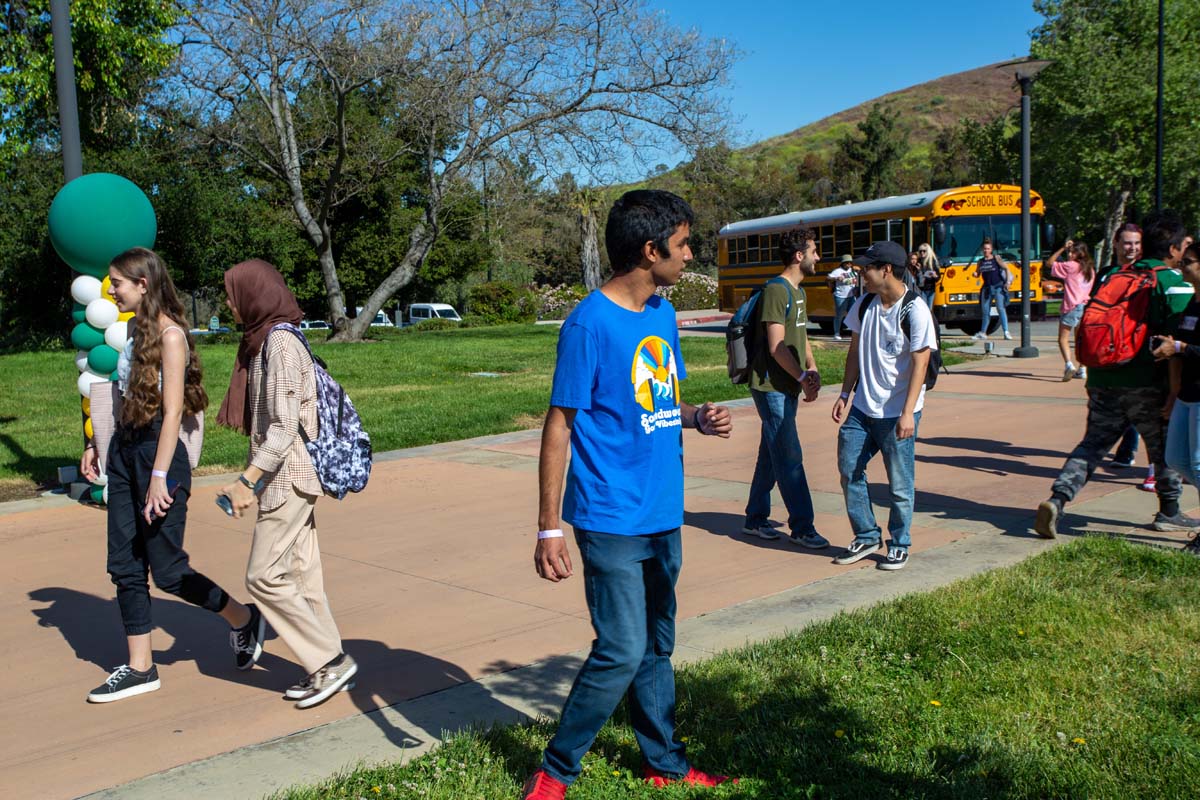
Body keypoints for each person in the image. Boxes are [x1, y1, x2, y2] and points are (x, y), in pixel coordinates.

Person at [522, 190, 736, 799]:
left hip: (663, 511)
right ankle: (555, 772)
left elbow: (658, 401)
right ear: (651, 250)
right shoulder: (589, 324)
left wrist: (697, 418)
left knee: (657, 647)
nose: (690, 254)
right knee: (621, 649)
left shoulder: (662, 315)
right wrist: (548, 527)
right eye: (685, 243)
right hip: (611, 514)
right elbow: (559, 424)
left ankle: (664, 763)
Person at [80, 247, 260, 703]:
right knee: (123, 564)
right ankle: (141, 668)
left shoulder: (171, 335)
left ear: (143, 284)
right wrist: (95, 446)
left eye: (117, 282)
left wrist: (159, 477)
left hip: (159, 456)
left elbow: (174, 410)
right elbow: (124, 396)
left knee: (168, 571)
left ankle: (243, 619)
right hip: (125, 451)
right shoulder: (132, 331)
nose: (111, 289)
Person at [217, 260, 356, 709]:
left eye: (232, 293)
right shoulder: (267, 340)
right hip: (289, 476)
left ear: (254, 294)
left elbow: (282, 428)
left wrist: (246, 481)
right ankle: (329, 668)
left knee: (262, 576)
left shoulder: (278, 344)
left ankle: (330, 661)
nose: (227, 302)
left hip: (289, 477)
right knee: (301, 575)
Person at [1034, 212, 1197, 539]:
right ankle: (1169, 510)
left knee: (1092, 445)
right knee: (1164, 448)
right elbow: (1179, 340)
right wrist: (1173, 389)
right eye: (1184, 248)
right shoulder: (1171, 282)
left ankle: (1058, 498)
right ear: (1173, 249)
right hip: (1147, 382)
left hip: (1102, 376)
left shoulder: (1111, 275)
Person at [830, 240, 936, 572]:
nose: (861, 274)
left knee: (899, 484)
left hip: (898, 412)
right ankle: (866, 535)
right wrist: (845, 393)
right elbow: (854, 352)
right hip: (863, 408)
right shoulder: (863, 304)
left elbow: (920, 364)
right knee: (849, 469)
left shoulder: (915, 310)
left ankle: (899, 543)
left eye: (866, 269)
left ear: (886, 270)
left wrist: (908, 413)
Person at [742, 228, 827, 548]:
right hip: (770, 386)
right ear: (798, 255)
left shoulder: (800, 292)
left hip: (789, 384)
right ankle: (803, 527)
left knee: (772, 453)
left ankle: (755, 518)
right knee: (789, 455)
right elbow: (777, 346)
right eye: (814, 251)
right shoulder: (777, 291)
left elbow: (800, 339)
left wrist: (812, 368)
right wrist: (802, 378)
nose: (818, 257)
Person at [1152, 241, 1200, 556]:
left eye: (1189, 262)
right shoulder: (1192, 305)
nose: (1182, 267)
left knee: (1197, 462)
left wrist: (1180, 348)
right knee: (1177, 460)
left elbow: (1189, 349)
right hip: (1186, 394)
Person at [1047, 239, 1096, 382]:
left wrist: (1062, 248)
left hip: (1072, 306)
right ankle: (1082, 368)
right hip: (1085, 306)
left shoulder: (1071, 266)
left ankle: (1069, 365)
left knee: (1063, 338)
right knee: (1079, 339)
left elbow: (1049, 263)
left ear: (1077, 253)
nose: (1069, 254)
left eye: (1071, 251)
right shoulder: (1090, 269)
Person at [971, 238, 1013, 341]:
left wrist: (1007, 282)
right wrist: (975, 274)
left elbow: (1006, 268)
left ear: (991, 249)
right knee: (985, 311)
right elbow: (978, 273)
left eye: (988, 248)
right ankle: (983, 332)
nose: (986, 250)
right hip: (987, 288)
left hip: (998, 286)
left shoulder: (996, 258)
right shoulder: (980, 262)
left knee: (1000, 308)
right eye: (984, 249)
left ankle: (1006, 332)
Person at [827, 254, 858, 340]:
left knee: (854, 315)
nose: (849, 264)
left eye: (850, 263)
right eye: (847, 263)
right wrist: (836, 278)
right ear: (843, 263)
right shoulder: (837, 271)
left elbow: (857, 280)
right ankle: (837, 333)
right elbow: (828, 278)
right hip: (840, 296)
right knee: (839, 315)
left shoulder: (853, 271)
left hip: (851, 296)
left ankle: (855, 333)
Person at [916, 243, 941, 310]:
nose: (922, 253)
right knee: (923, 308)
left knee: (929, 309)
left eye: (924, 251)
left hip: (931, 289)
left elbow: (938, 278)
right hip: (921, 289)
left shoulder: (933, 262)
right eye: (920, 251)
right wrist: (919, 271)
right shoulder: (918, 262)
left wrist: (935, 276)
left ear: (928, 252)